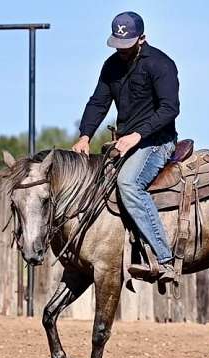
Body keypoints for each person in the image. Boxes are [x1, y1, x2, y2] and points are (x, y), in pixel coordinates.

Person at [72, 11, 180, 281]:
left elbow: (170, 108)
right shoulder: (111, 66)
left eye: (127, 45)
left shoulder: (161, 64)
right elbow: (98, 102)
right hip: (125, 144)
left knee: (129, 183)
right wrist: (85, 135)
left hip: (157, 141)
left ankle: (165, 258)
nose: (122, 51)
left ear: (142, 38)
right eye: (118, 45)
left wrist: (136, 135)